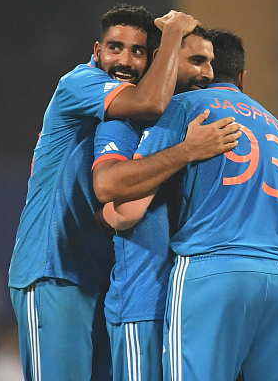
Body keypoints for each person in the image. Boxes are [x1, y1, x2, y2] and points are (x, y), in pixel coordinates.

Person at [7, 4, 242, 381]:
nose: (124, 60)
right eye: (115, 47)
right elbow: (151, 102)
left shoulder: (131, 114)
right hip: (53, 269)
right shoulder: (80, 83)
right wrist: (172, 33)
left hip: (96, 275)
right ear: (97, 51)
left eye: (137, 51)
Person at [100, 29, 278, 381]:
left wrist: (99, 217)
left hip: (213, 269)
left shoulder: (184, 109)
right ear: (242, 76)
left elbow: (129, 206)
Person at [91, 26, 217, 381]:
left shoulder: (205, 127)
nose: (206, 73)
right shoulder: (123, 125)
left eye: (210, 62)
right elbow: (123, 208)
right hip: (144, 304)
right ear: (163, 62)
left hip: (189, 308)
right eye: (195, 60)